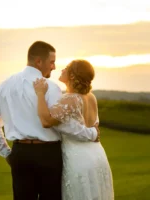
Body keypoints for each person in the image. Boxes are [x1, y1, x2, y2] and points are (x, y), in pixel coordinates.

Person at [0, 41, 99, 200]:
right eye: (51, 62)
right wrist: (91, 133)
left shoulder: (5, 85)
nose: (54, 67)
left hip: (20, 154)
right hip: (49, 154)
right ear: (39, 61)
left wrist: (7, 153)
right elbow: (65, 126)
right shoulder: (51, 88)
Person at [33, 59, 114, 200]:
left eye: (66, 68)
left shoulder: (70, 99)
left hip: (78, 159)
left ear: (72, 76)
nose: (62, 69)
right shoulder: (91, 97)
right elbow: (90, 127)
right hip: (97, 154)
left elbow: (46, 121)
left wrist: (40, 94)